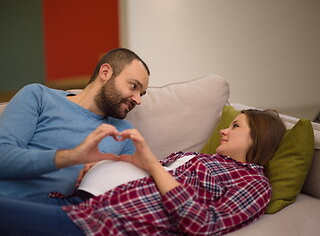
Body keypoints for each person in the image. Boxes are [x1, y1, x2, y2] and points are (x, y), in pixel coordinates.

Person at [0, 109, 286, 235]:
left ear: (258, 137)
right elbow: (150, 175)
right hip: (80, 203)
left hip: (104, 225)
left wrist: (150, 163)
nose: (224, 129)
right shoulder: (198, 158)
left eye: (236, 126)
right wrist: (102, 162)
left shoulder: (254, 184)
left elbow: (204, 225)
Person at [0, 48, 150, 198]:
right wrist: (72, 157)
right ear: (105, 73)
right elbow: (3, 157)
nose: (138, 100)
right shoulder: (39, 96)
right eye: (133, 86)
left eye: (141, 94)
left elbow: (134, 190)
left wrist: (101, 172)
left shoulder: (125, 134)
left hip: (66, 214)